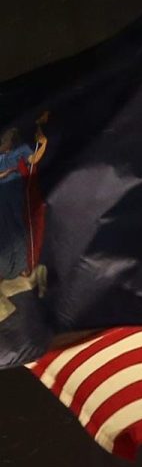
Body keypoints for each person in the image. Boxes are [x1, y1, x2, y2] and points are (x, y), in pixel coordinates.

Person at [0, 117, 47, 324]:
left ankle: (16, 267)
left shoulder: (19, 150)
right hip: (6, 195)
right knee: (9, 230)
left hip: (13, 194)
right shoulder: (6, 157)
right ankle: (12, 269)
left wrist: (43, 143)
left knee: (16, 231)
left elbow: (33, 159)